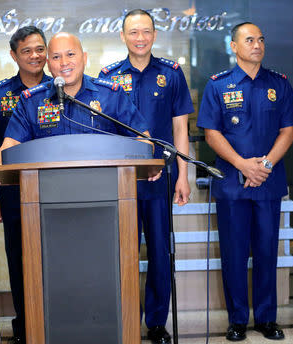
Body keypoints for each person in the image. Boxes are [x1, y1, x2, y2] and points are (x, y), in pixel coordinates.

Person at [197, 22, 293, 341]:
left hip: (268, 182)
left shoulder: (279, 84)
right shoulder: (217, 85)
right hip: (232, 183)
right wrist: (243, 164)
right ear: (233, 46)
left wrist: (265, 164)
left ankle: (267, 319)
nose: (256, 44)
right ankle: (238, 320)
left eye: (260, 39)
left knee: (267, 251)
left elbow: (288, 131)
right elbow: (211, 134)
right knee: (233, 253)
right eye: (248, 39)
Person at [99, 9, 194, 344]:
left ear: (155, 35)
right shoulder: (107, 77)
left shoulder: (171, 74)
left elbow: (181, 127)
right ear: (123, 36)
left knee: (159, 251)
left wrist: (183, 175)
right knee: (121, 252)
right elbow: (103, 131)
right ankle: (124, 319)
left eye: (146, 32)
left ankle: (156, 323)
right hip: (121, 181)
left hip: (159, 179)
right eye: (133, 32)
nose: (140, 38)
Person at [0, 26, 51, 344]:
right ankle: (25, 327)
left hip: (57, 190)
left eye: (40, 49)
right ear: (14, 55)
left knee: (57, 257)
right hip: (12, 192)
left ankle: (58, 321)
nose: (35, 56)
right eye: (27, 51)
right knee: (20, 259)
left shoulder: (61, 87)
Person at [0, 32, 153, 165]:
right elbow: (7, 151)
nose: (64, 63)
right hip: (48, 193)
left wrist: (145, 164)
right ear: (49, 65)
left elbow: (144, 141)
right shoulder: (30, 101)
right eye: (56, 57)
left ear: (84, 58)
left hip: (107, 191)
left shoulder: (111, 94)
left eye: (70, 54)